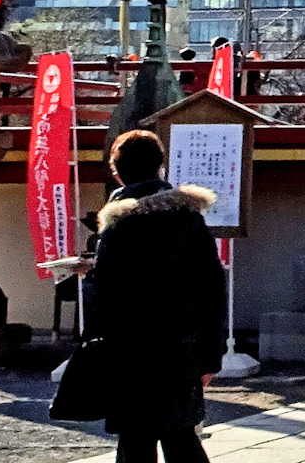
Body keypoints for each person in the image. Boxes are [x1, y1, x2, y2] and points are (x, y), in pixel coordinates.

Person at [88, 129, 227, 463]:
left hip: (130, 350)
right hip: (183, 347)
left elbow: (103, 294)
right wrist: (212, 354)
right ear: (160, 167)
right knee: (181, 436)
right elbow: (212, 287)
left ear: (116, 171)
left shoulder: (119, 225)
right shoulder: (189, 219)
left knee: (135, 439)